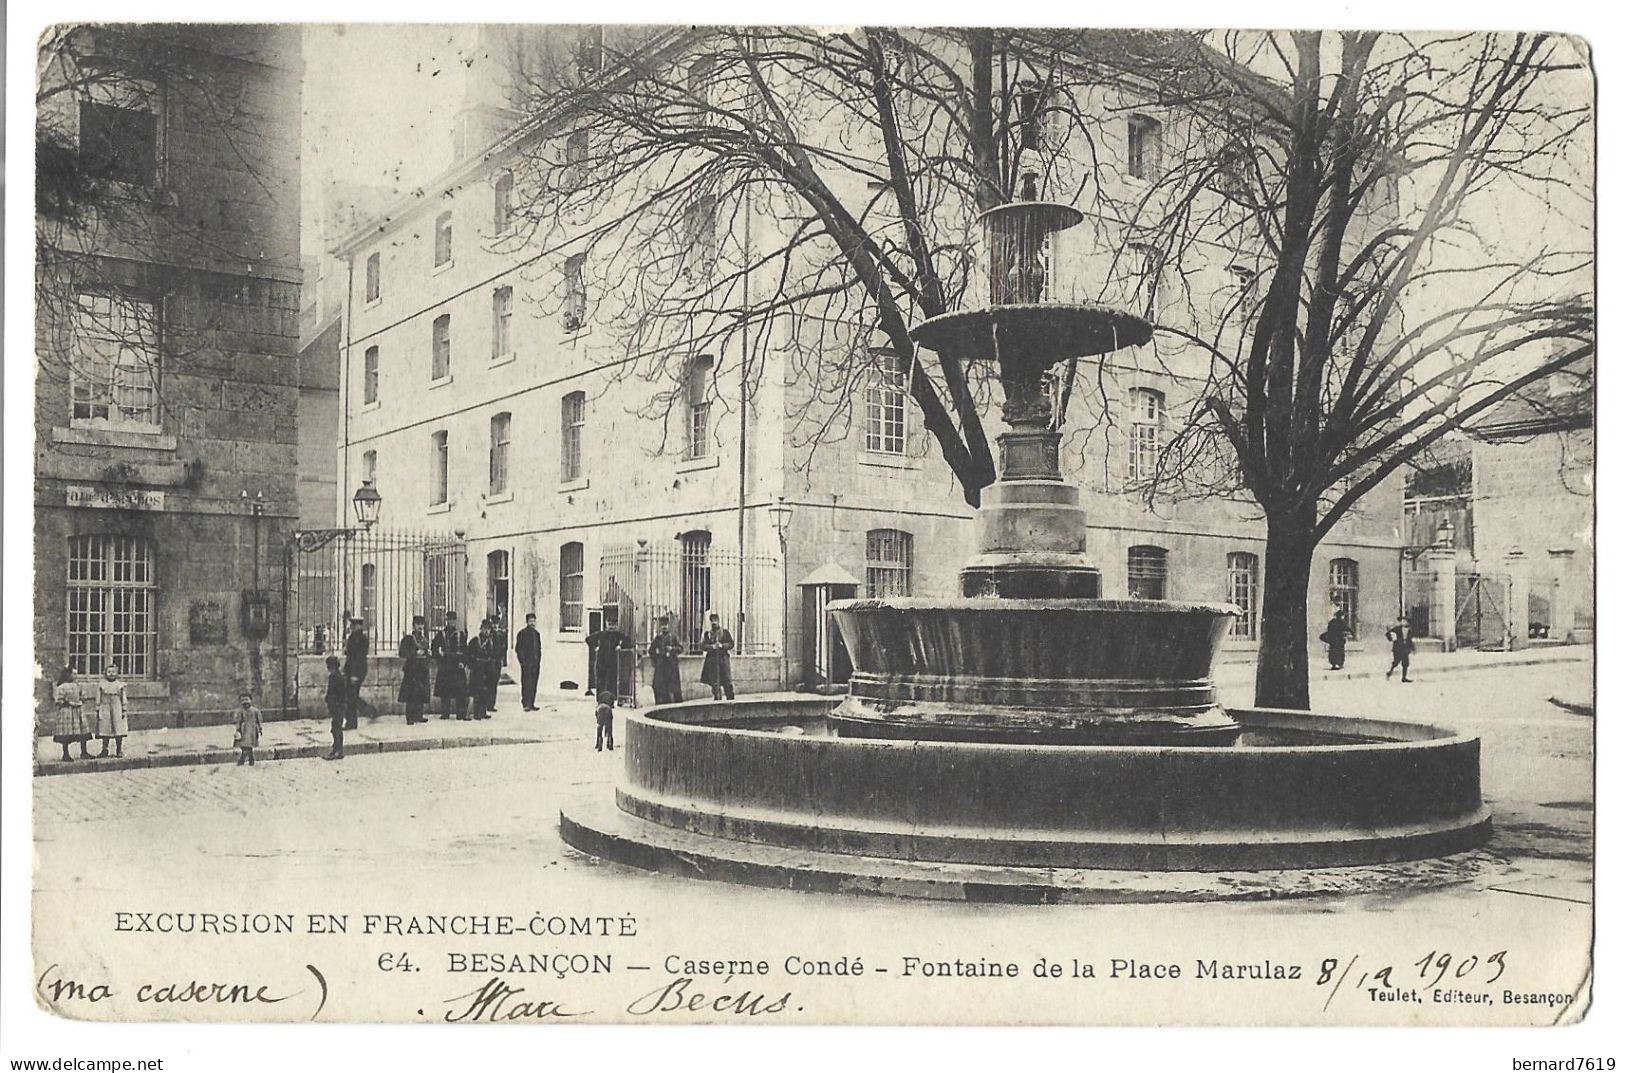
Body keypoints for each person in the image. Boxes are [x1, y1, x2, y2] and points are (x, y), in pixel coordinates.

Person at [431, 611, 471, 720]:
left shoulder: (461, 635)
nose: (451, 623)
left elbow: (466, 651)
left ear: (455, 621)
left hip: (457, 666)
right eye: (449, 620)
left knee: (460, 692)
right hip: (445, 666)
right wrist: (439, 656)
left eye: (453, 620)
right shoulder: (440, 635)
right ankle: (445, 714)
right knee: (445, 692)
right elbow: (434, 649)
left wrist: (463, 662)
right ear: (446, 621)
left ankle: (461, 714)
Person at [50, 665, 94, 762]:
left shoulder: (78, 686)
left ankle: (84, 752)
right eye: (73, 673)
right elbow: (58, 700)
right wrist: (66, 702)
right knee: (66, 732)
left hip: (78, 711)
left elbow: (83, 696)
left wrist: (82, 698)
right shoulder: (61, 687)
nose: (75, 676)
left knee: (83, 731)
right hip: (67, 712)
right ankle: (66, 754)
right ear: (67, 675)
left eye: (76, 674)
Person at [585, 611, 631, 701]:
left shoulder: (618, 635)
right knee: (601, 681)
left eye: (613, 625)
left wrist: (620, 646)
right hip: (601, 662)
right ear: (606, 624)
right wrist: (596, 646)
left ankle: (611, 700)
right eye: (609, 624)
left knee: (612, 681)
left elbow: (629, 642)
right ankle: (600, 700)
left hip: (613, 662)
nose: (611, 627)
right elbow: (588, 639)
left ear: (616, 625)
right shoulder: (601, 634)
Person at [398, 616, 432, 725]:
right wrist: (414, 654)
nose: (420, 627)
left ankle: (419, 715)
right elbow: (402, 653)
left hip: (422, 669)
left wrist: (428, 654)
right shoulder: (408, 639)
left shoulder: (425, 640)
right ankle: (410, 717)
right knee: (411, 693)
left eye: (422, 624)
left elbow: (427, 653)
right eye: (418, 624)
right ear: (413, 626)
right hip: (412, 670)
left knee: (421, 693)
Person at [466, 618, 501, 720]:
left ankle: (483, 711)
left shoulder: (490, 643)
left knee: (486, 692)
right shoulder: (475, 641)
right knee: (476, 692)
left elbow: (493, 655)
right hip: (477, 671)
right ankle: (476, 713)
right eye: (484, 629)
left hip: (487, 671)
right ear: (480, 629)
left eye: (488, 629)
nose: (486, 631)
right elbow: (469, 655)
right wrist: (474, 664)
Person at [94, 663, 130, 758]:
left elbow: (123, 698)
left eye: (113, 672)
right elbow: (98, 698)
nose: (111, 674)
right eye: (109, 672)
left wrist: (124, 710)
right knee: (105, 728)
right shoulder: (102, 685)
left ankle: (119, 750)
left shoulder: (120, 685)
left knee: (118, 728)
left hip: (117, 707)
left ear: (117, 673)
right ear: (105, 673)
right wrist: (98, 708)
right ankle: (104, 749)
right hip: (105, 707)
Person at [699, 612, 735, 701]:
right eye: (712, 621)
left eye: (715, 620)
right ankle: (717, 701)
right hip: (712, 661)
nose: (714, 622)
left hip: (723, 660)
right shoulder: (707, 634)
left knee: (727, 682)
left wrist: (722, 646)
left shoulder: (725, 632)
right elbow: (702, 646)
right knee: (715, 683)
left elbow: (731, 644)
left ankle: (730, 701)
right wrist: (712, 647)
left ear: (718, 621)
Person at [650, 615, 684, 705]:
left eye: (665, 625)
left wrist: (672, 649)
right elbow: (651, 651)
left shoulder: (673, 637)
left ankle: (677, 704)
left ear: (668, 626)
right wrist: (656, 657)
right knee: (660, 686)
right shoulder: (657, 638)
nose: (664, 627)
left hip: (671, 666)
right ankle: (663, 703)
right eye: (662, 625)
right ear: (660, 627)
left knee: (673, 687)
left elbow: (681, 649)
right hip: (661, 666)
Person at [342, 615, 369, 730]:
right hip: (350, 670)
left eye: (355, 625)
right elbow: (349, 655)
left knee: (351, 698)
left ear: (360, 626)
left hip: (356, 671)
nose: (352, 626)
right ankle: (352, 721)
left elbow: (359, 658)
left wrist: (354, 674)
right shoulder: (352, 637)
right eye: (352, 624)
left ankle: (352, 722)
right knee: (350, 697)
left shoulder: (362, 639)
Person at [514, 612, 543, 711]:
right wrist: (523, 662)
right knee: (526, 683)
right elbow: (518, 649)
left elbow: (539, 649)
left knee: (534, 684)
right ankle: (525, 703)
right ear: (527, 622)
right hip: (526, 664)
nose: (532, 623)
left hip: (535, 664)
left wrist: (538, 660)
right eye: (530, 621)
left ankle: (532, 703)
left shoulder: (537, 634)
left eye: (533, 621)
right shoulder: (522, 634)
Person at [322, 655, 347, 760]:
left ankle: (338, 750)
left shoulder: (335, 677)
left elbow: (334, 693)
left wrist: (330, 701)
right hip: (338, 706)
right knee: (336, 728)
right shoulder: (338, 676)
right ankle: (337, 749)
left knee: (336, 728)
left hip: (337, 706)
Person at [234, 691, 263, 766]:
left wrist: (260, 728)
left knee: (249, 745)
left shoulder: (255, 711)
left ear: (251, 700)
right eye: (242, 700)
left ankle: (243, 759)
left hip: (253, 730)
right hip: (244, 730)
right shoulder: (240, 711)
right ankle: (250, 758)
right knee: (244, 745)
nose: (245, 702)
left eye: (246, 699)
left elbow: (259, 720)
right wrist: (237, 730)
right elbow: (238, 721)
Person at [1385, 616, 1416, 683]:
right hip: (1398, 649)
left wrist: (1412, 649)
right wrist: (1391, 637)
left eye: (1405, 621)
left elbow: (1410, 640)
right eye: (1402, 621)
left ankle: (1404, 677)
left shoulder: (1409, 630)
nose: (1403, 622)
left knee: (1406, 663)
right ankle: (1389, 673)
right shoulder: (1397, 629)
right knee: (1396, 662)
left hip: (1405, 649)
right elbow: (1389, 634)